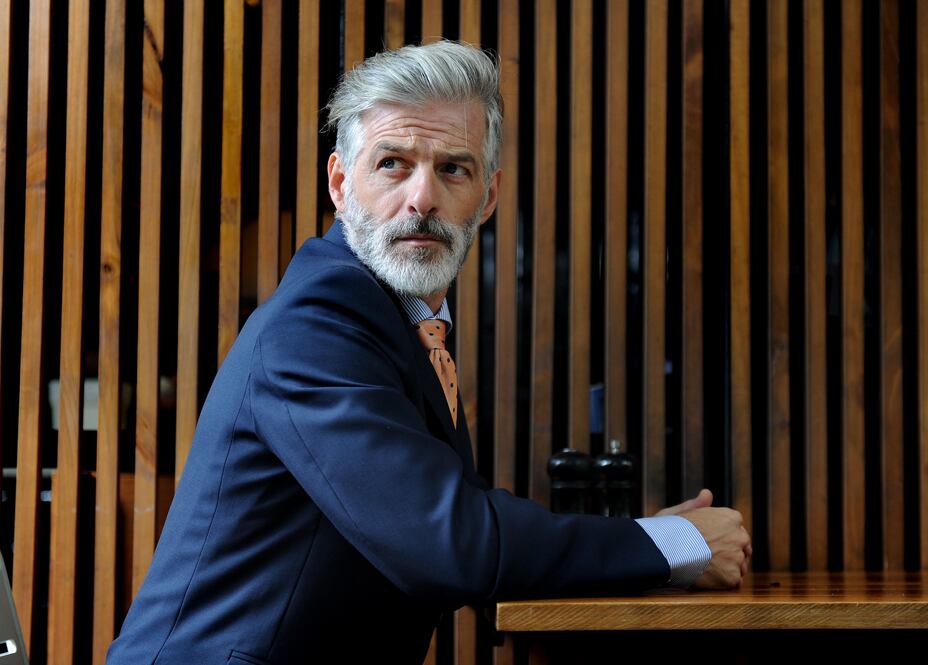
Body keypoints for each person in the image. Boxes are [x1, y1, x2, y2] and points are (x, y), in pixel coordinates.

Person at [106, 40, 751, 665]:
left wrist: (649, 541)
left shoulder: (400, 320)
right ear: (340, 182)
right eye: (393, 163)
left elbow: (452, 516)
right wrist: (672, 543)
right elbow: (448, 541)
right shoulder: (317, 323)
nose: (421, 198)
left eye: (453, 169)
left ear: (488, 196)